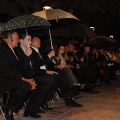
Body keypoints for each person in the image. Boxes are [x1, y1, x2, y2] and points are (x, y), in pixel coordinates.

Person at [30, 35, 82, 107]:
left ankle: (69, 96)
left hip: (46, 71)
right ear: (31, 42)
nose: (39, 41)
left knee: (62, 72)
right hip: (39, 73)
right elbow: (40, 63)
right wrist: (49, 56)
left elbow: (47, 63)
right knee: (59, 75)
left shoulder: (40, 52)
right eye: (36, 40)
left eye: (39, 40)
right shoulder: (31, 51)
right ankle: (69, 95)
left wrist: (55, 65)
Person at [0, 31, 35, 120]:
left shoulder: (11, 49)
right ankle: (9, 108)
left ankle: (10, 108)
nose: (18, 41)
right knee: (25, 86)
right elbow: (5, 71)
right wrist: (22, 79)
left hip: (10, 78)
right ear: (9, 39)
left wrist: (27, 56)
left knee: (29, 84)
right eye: (16, 38)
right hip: (3, 80)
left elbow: (19, 66)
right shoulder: (2, 49)